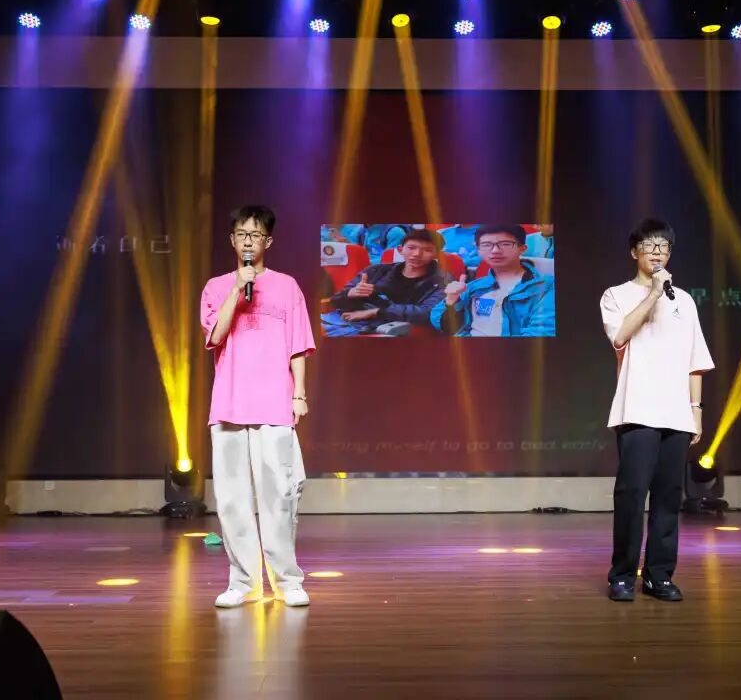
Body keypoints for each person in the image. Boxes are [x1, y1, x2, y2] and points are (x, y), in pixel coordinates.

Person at [200, 205, 316, 608]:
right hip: (229, 403)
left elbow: (298, 346)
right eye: (241, 234)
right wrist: (237, 289)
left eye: (255, 235)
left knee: (279, 496)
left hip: (274, 402)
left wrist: (299, 394)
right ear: (232, 240)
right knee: (232, 499)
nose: (248, 241)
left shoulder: (287, 286)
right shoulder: (216, 287)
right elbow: (215, 335)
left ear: (268, 241)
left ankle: (287, 581)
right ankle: (243, 583)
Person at [599, 218, 714, 602]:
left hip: (676, 412)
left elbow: (695, 360)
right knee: (632, 494)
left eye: (664, 247)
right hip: (636, 409)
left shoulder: (685, 301)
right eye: (650, 246)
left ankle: (659, 575)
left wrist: (696, 410)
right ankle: (621, 575)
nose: (658, 253)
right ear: (635, 252)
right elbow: (619, 336)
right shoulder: (616, 295)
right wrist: (652, 293)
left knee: (668, 497)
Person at [431, 224, 555, 337]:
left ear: (522, 248)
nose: (495, 250)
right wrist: (451, 301)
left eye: (505, 244)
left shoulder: (546, 287)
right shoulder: (473, 287)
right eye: (486, 245)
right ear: (478, 250)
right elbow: (445, 327)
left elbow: (541, 333)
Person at [322, 229, 450, 336]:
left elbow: (427, 313)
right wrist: (350, 293)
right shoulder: (376, 270)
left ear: (437, 255)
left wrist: (377, 312)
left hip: (391, 328)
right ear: (400, 250)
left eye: (427, 250)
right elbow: (336, 300)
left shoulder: (443, 281)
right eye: (411, 248)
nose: (417, 254)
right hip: (347, 320)